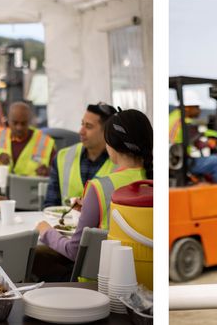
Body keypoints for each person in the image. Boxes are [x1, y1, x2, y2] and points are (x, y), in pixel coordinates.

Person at [33, 109, 152, 281]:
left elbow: (75, 251)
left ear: (110, 143)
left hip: (103, 282)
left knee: (36, 258)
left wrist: (46, 232)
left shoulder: (99, 187)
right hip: (145, 277)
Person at [43, 103, 118, 208]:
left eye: (88, 126)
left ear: (106, 131)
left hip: (103, 224)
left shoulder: (121, 162)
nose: (81, 131)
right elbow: (50, 205)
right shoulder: (63, 156)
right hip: (62, 223)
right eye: (82, 124)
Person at [0, 101, 55, 176]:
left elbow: (56, 172)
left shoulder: (45, 142)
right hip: (0, 187)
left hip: (31, 187)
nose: (19, 127)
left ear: (30, 121)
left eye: (23, 123)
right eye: (15, 123)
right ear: (8, 120)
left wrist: (47, 172)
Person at [169, 103, 217, 185]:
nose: (199, 111)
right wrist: (208, 143)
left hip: (176, 161)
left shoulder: (172, 117)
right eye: (196, 107)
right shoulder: (184, 122)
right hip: (182, 163)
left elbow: (190, 138)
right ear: (187, 107)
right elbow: (198, 141)